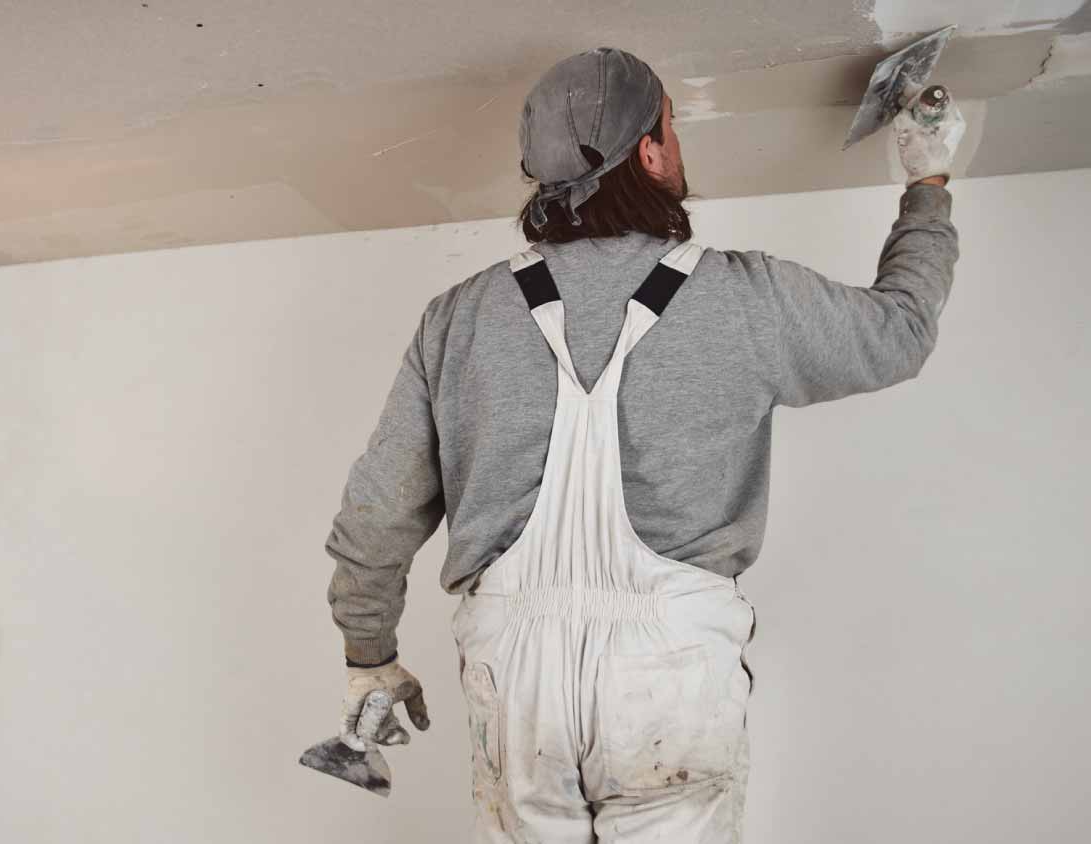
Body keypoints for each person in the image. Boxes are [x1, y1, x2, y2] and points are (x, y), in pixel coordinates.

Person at [324, 46, 963, 842]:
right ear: (653, 152)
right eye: (673, 125)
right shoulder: (744, 295)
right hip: (672, 671)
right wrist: (926, 184)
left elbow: (377, 511)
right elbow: (900, 331)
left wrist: (368, 653)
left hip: (516, 684)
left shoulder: (459, 317)